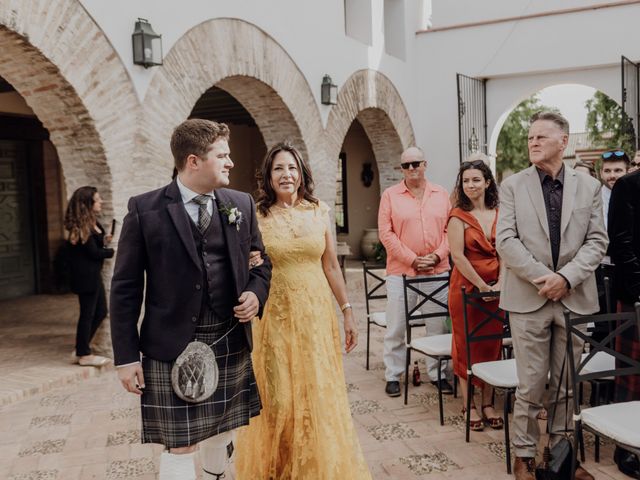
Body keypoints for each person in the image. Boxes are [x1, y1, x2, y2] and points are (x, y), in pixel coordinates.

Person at [110, 119, 271, 480]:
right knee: (180, 442)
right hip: (170, 343)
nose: (231, 163)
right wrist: (125, 357)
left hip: (228, 336)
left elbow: (261, 263)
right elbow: (125, 288)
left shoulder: (240, 204)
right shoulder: (145, 209)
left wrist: (255, 294)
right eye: (223, 155)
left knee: (223, 430)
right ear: (194, 160)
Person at [234, 142, 370, 479]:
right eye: (279, 168)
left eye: (292, 168)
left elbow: (332, 268)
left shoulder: (319, 211)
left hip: (315, 317)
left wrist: (348, 310)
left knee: (316, 395)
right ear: (268, 175)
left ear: (301, 174)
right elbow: (245, 262)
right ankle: (279, 470)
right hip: (275, 318)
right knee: (279, 399)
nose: (286, 174)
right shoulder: (256, 215)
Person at [496, 111, 607, 480]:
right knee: (530, 384)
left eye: (541, 137)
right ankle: (524, 457)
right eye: (530, 138)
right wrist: (548, 278)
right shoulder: (512, 186)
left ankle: (562, 455)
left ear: (564, 141)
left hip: (573, 297)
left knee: (566, 383)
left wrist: (567, 278)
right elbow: (506, 242)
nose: (532, 142)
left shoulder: (588, 187)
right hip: (530, 297)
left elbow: (596, 242)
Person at [378, 147, 452, 397]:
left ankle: (438, 373)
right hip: (401, 271)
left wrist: (438, 255)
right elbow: (385, 234)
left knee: (437, 325)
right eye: (406, 165)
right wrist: (413, 259)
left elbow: (450, 231)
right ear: (401, 169)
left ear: (425, 164)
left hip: (437, 270)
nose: (411, 168)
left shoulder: (441, 194)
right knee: (397, 324)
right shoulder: (390, 195)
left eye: (415, 163)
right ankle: (393, 375)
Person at [447, 154, 503, 431]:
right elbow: (457, 256)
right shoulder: (458, 216)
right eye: (466, 180)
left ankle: (488, 403)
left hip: (499, 288)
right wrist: (482, 286)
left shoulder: (500, 213)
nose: (470, 185)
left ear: (488, 183)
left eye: (476, 180)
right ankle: (469, 405)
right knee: (466, 345)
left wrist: (501, 283)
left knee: (491, 344)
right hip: (467, 288)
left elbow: (507, 251)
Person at [608, 165, 640, 478]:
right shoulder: (628, 185)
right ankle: (626, 447)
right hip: (635, 297)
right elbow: (621, 244)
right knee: (632, 375)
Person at [64, 186, 114, 367]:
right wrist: (111, 251)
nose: (101, 202)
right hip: (85, 278)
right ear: (88, 203)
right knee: (88, 314)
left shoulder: (92, 222)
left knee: (100, 312)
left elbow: (94, 244)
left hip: (93, 276)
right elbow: (93, 253)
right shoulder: (80, 227)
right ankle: (84, 354)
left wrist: (104, 240)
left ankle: (80, 348)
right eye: (97, 199)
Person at [599, 149, 629, 230]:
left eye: (618, 170)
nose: (612, 175)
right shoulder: (592, 200)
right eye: (607, 171)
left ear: (628, 172)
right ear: (601, 173)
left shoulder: (635, 197)